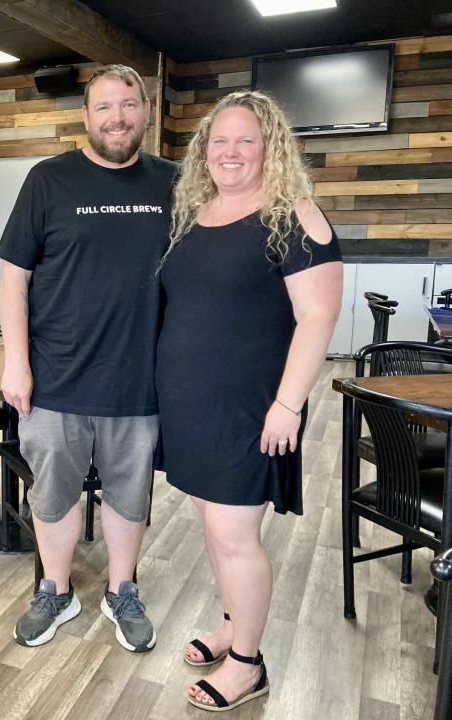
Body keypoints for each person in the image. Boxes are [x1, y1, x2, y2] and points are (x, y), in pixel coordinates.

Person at [155, 90, 342, 711]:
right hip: (194, 403)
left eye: (246, 141)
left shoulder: (294, 214)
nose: (231, 153)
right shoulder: (199, 211)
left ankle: (247, 663)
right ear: (204, 150)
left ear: (270, 149)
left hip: (252, 406)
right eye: (220, 141)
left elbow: (318, 317)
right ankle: (235, 622)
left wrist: (288, 406)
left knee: (235, 533)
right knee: (215, 524)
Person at [0, 64, 177, 653]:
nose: (117, 117)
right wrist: (15, 362)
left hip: (139, 379)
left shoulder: (173, 182)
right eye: (104, 107)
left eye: (128, 105)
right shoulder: (48, 180)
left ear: (146, 110)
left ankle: (123, 590)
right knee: (52, 497)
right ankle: (55, 588)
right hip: (55, 378)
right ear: (85, 116)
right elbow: (13, 280)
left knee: (130, 496)